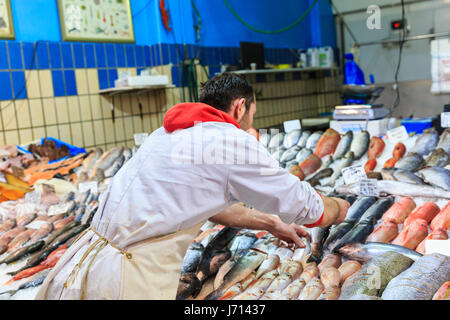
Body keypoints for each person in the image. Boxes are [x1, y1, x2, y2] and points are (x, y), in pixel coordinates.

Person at [35, 73, 349, 300]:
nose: (251, 123)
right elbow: (307, 207)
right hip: (126, 281)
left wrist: (271, 223)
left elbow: (211, 205)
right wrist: (339, 207)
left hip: (79, 266)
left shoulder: (165, 134)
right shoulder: (230, 141)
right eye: (252, 114)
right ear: (240, 107)